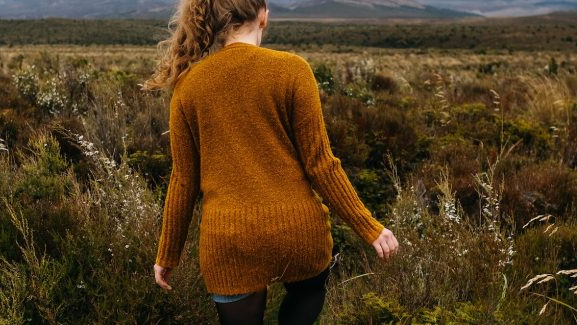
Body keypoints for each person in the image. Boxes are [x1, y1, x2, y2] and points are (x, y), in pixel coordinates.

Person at [141, 0, 399, 323]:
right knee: (309, 289)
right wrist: (371, 229)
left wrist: (168, 253)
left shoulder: (188, 87)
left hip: (230, 242)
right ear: (263, 16)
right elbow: (321, 165)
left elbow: (184, 181)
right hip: (299, 233)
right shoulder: (293, 70)